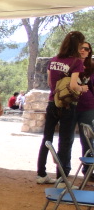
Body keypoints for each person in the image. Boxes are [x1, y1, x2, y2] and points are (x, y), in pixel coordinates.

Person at [36, 31, 87, 184]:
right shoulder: (76, 62)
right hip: (67, 105)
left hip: (53, 102)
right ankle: (61, 178)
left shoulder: (53, 60)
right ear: (77, 44)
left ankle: (41, 173)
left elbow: (51, 84)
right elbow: (73, 85)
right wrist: (82, 88)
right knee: (65, 141)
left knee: (47, 138)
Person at [75, 42, 94, 171]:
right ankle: (64, 172)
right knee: (67, 140)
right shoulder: (72, 64)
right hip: (71, 105)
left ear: (89, 52)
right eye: (80, 48)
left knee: (86, 138)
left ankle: (87, 170)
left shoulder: (92, 67)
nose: (83, 50)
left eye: (86, 49)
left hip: (88, 106)